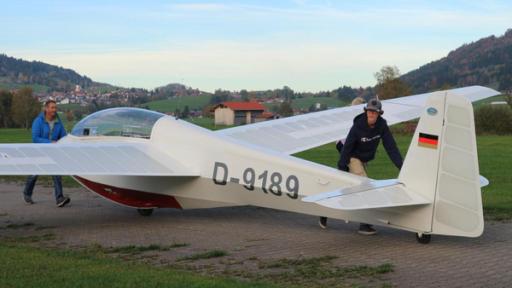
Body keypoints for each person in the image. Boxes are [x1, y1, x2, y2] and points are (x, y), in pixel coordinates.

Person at [319, 98, 403, 235]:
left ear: (379, 113)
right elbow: (346, 146)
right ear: (365, 111)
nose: (371, 114)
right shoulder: (358, 125)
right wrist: (342, 165)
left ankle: (324, 212)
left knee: (344, 187)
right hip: (349, 153)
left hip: (361, 155)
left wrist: (401, 166)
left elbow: (391, 147)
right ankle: (364, 224)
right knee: (364, 185)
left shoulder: (382, 125)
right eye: (369, 111)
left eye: (375, 112)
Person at [22, 99, 70, 207]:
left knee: (57, 174)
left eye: (55, 107)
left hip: (53, 152)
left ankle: (59, 198)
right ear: (46, 109)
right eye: (52, 107)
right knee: (34, 174)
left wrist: (67, 141)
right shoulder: (38, 121)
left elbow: (63, 136)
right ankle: (27, 193)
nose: (54, 110)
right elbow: (35, 138)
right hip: (39, 151)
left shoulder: (58, 122)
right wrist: (50, 142)